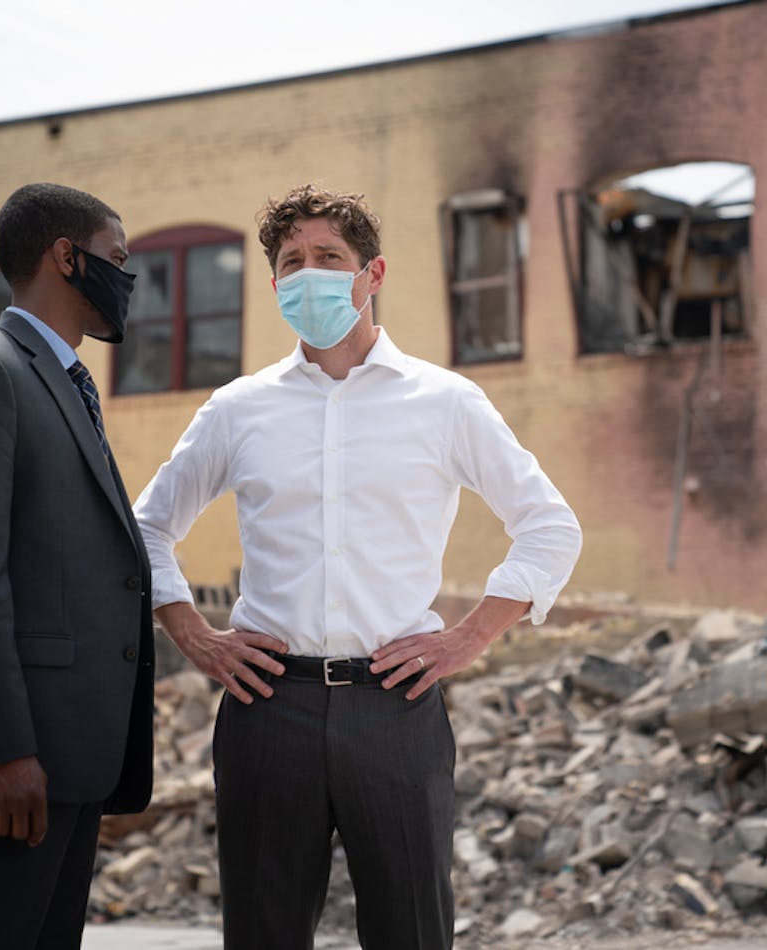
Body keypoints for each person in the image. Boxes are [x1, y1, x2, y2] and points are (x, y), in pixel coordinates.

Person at [133, 183, 583, 948]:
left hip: (396, 709)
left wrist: (466, 639)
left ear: (372, 275)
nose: (309, 274)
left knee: (412, 932)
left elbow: (549, 527)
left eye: (329, 257)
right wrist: (197, 638)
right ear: (275, 288)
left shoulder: (447, 403)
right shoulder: (238, 410)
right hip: (269, 707)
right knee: (263, 933)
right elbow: (143, 531)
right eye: (292, 262)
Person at [0, 182, 155, 949]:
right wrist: (4, 749)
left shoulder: (66, 385)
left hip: (63, 764)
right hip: (9, 767)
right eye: (117, 259)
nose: (128, 281)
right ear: (65, 257)